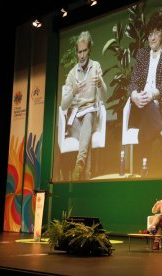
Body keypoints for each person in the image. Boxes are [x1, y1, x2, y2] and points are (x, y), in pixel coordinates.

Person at [128, 11, 162, 157]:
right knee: (145, 100)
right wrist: (134, 96)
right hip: (141, 106)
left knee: (143, 134)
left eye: (156, 32)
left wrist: (153, 94)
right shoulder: (142, 54)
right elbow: (133, 80)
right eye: (150, 33)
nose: (152, 37)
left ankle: (145, 172)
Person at [61, 31, 107, 180]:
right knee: (84, 136)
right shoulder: (72, 74)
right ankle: (85, 172)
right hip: (75, 118)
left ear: (89, 50)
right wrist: (73, 92)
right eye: (79, 52)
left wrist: (100, 84)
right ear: (76, 52)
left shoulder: (96, 67)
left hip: (90, 114)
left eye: (84, 51)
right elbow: (63, 105)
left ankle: (80, 162)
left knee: (88, 117)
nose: (82, 55)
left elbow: (104, 97)